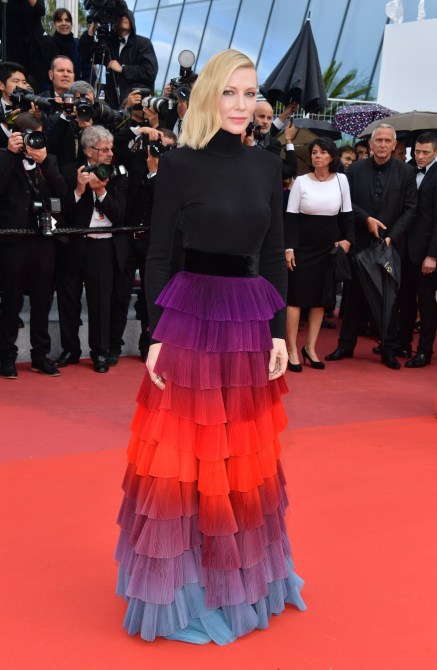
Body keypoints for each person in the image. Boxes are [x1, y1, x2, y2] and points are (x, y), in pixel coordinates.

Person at [114, 49, 305, 645]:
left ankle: (236, 580)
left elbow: (271, 255)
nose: (241, 105)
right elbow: (159, 255)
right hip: (192, 317)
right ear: (207, 96)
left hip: (247, 321)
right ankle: (184, 589)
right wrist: (155, 334)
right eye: (229, 92)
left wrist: (278, 332)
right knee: (184, 454)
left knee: (238, 458)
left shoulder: (267, 166)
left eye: (250, 93)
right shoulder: (179, 164)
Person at [326, 124, 417, 369]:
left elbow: (410, 210)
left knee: (389, 299)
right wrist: (366, 219)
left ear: (394, 145)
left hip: (390, 246)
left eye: (388, 141)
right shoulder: (355, 170)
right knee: (353, 297)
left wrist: (391, 237)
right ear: (371, 143)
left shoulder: (406, 172)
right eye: (379, 140)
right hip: (361, 243)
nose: (383, 145)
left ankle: (388, 350)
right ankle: (345, 345)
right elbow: (346, 202)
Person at [0, 112, 66, 379]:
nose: (35, 142)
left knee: (42, 299)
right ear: (17, 136)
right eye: (30, 136)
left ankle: (40, 355)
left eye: (39, 135)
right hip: (13, 241)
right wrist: (9, 154)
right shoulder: (5, 158)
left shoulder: (49, 159)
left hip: (43, 240)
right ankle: (6, 357)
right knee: (11, 301)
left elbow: (62, 191)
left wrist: (44, 162)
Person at [59, 125, 128, 373]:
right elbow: (61, 213)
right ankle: (70, 349)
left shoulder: (118, 174)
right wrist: (79, 190)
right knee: (68, 299)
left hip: (104, 245)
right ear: (89, 150)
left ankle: (100, 352)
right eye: (104, 149)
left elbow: (120, 215)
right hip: (76, 244)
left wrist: (101, 191)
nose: (110, 153)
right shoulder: (70, 172)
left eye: (111, 148)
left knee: (100, 301)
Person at [285, 138, 354, 371]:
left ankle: (310, 348)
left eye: (323, 152)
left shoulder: (342, 180)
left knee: (320, 300)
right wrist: (289, 248)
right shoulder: (301, 181)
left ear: (331, 156)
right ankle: (291, 350)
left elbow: (347, 215)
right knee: (295, 299)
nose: (317, 156)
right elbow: (290, 218)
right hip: (302, 249)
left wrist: (348, 241)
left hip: (328, 249)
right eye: (314, 152)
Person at [398, 132, 437, 367]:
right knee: (405, 300)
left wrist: (433, 255)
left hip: (427, 253)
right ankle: (403, 343)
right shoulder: (410, 171)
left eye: (426, 152)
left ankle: (424, 351)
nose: (420, 156)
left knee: (426, 303)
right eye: (417, 151)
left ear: (435, 152)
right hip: (406, 249)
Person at [78, 9, 158, 109]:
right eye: (120, 15)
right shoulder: (109, 44)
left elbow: (150, 71)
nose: (123, 17)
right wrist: (90, 32)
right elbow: (85, 54)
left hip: (137, 106)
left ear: (132, 20)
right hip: (113, 106)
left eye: (127, 15)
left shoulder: (143, 43)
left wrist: (122, 69)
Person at [47, 8, 91, 83]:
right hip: (52, 89)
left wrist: (80, 89)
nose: (64, 23)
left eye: (67, 20)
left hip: (76, 89)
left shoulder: (79, 45)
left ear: (71, 23)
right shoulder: (47, 44)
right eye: (59, 20)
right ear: (54, 24)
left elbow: (89, 74)